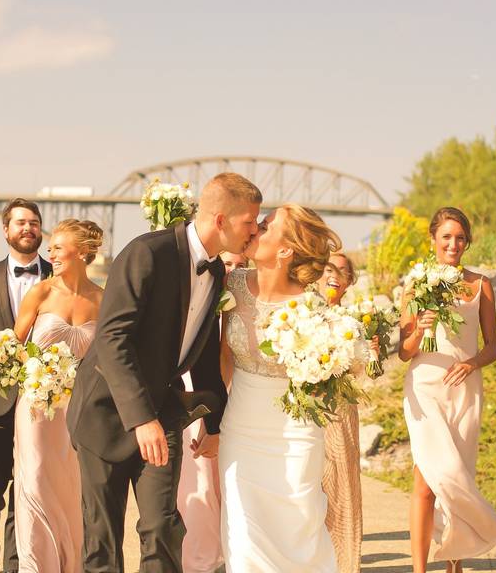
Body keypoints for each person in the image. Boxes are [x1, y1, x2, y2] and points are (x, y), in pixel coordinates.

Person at [67, 172, 261, 573]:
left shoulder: (217, 272)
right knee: (102, 537)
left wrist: (215, 421)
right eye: (250, 223)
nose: (255, 232)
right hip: (105, 412)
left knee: (163, 528)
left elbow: (204, 351)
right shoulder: (147, 253)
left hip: (164, 410)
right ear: (221, 220)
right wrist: (141, 419)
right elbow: (112, 339)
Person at [399, 207, 496, 573]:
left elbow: (493, 346)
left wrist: (471, 363)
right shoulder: (416, 283)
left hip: (465, 390)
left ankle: (455, 565)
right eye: (446, 237)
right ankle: (419, 569)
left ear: (467, 241)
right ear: (434, 240)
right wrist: (420, 329)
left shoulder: (481, 284)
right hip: (425, 389)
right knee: (427, 483)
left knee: (459, 477)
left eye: (460, 237)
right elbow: (404, 351)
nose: (453, 244)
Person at [219, 204, 342, 572]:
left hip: (296, 433)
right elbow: (224, 354)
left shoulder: (313, 305)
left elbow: (324, 379)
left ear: (286, 249)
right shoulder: (232, 286)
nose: (255, 227)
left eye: (266, 225)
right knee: (242, 539)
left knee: (297, 535)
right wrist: (210, 420)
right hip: (240, 427)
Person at [11, 219, 104, 572]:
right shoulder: (41, 292)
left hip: (77, 411)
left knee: (69, 489)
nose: (50, 254)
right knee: (34, 481)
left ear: (81, 252)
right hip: (35, 406)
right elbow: (15, 345)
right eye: (49, 249)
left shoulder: (102, 298)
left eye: (57, 248)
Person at [0, 199, 52, 573]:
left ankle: (16, 565)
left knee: (28, 487)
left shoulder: (58, 276)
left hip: (43, 401)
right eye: (20, 222)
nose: (28, 228)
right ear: (6, 230)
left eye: (34, 222)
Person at [176, 252, 249, 573]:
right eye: (228, 264)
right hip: (199, 394)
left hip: (238, 394)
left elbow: (228, 360)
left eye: (239, 265)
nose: (232, 271)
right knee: (200, 480)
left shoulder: (245, 304)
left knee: (231, 482)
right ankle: (200, 560)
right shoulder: (198, 297)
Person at [319, 253, 364, 573]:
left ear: (349, 282)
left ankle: (343, 563)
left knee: (341, 487)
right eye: (329, 268)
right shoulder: (299, 313)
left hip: (340, 411)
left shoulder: (354, 322)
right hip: (305, 413)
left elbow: (361, 371)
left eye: (343, 272)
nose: (336, 275)